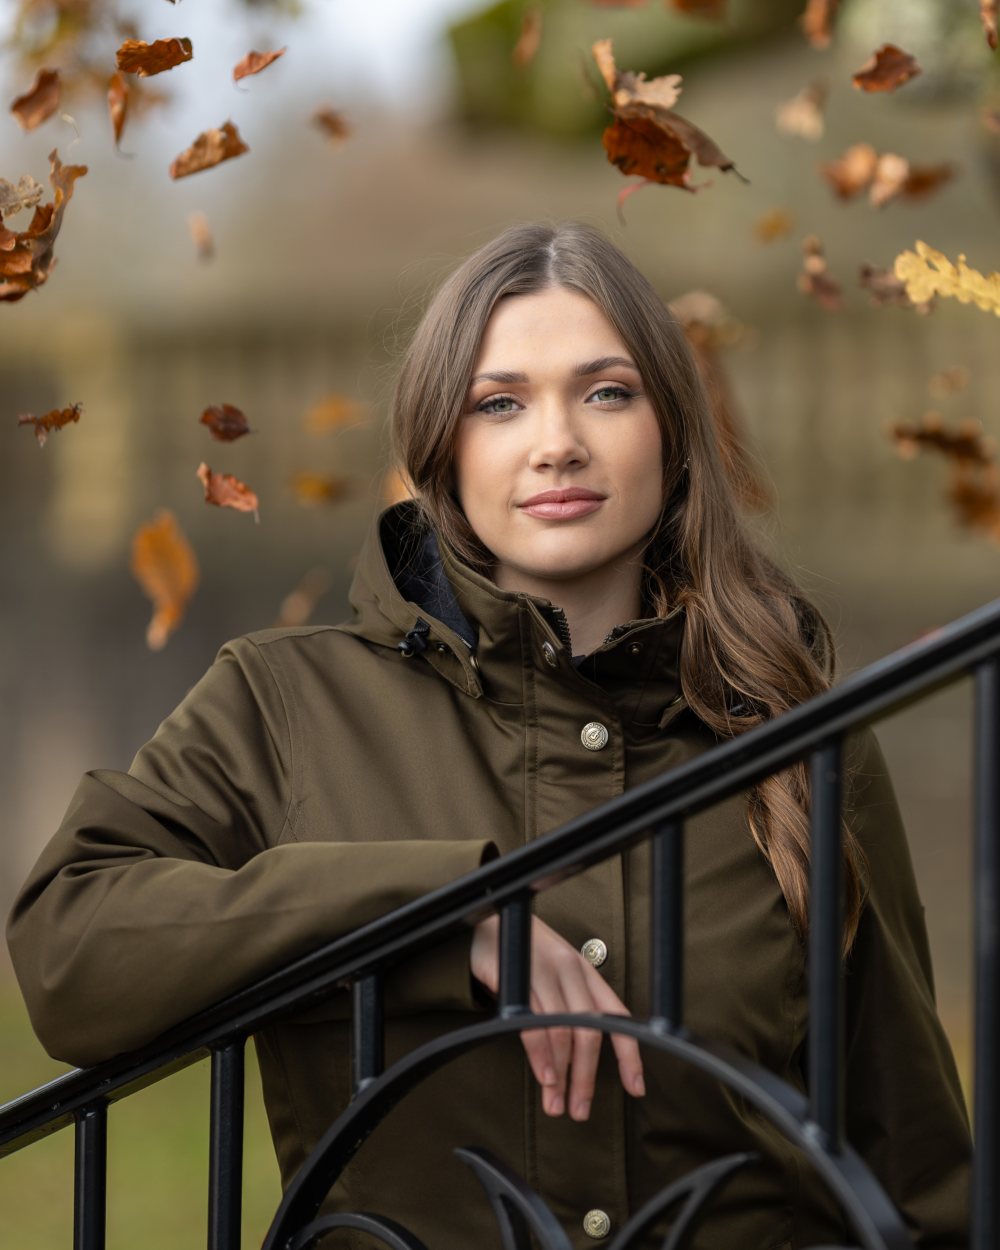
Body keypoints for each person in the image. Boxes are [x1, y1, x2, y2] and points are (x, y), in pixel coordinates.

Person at [6, 221, 971, 1250]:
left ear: (672, 432)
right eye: (499, 402)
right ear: (443, 445)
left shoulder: (796, 733)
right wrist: (433, 912)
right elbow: (69, 945)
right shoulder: (284, 703)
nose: (556, 441)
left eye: (607, 391)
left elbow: (912, 1172)